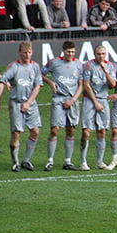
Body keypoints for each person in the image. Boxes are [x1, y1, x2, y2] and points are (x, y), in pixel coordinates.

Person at [0, 41, 44, 172]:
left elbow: (38, 86)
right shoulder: (14, 67)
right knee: (16, 133)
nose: (27, 55)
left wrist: (28, 103)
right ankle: (15, 162)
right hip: (16, 103)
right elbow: (2, 82)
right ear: (20, 53)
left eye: (29, 52)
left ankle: (26, 160)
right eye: (25, 53)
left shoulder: (35, 67)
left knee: (35, 131)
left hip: (31, 104)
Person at [42, 40, 84, 171]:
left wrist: (73, 100)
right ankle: (50, 160)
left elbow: (81, 84)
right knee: (55, 129)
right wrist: (50, 82)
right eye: (68, 52)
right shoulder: (54, 62)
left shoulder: (79, 64)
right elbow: (40, 73)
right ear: (63, 51)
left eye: (72, 52)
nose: (70, 54)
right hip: (58, 99)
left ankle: (68, 161)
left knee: (71, 130)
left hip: (72, 100)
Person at [79, 45, 116, 171]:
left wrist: (105, 71)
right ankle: (83, 162)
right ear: (94, 54)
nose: (101, 56)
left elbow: (113, 84)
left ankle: (99, 162)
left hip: (104, 100)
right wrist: (95, 102)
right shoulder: (88, 65)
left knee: (102, 131)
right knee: (86, 131)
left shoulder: (110, 66)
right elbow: (86, 85)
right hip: (90, 100)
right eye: (98, 54)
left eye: (103, 54)